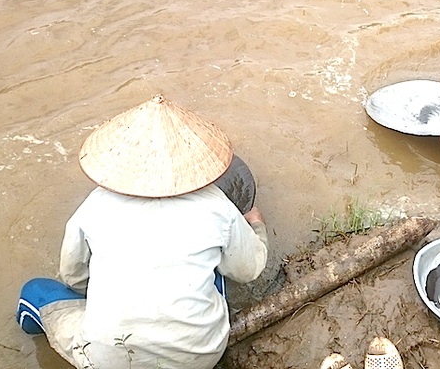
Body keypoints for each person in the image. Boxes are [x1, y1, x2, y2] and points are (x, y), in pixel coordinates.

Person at [15, 95, 269, 369]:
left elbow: (74, 277)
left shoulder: (95, 205)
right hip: (200, 356)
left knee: (34, 292)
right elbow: (248, 270)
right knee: (218, 266)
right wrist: (257, 226)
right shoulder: (217, 204)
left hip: (110, 361)